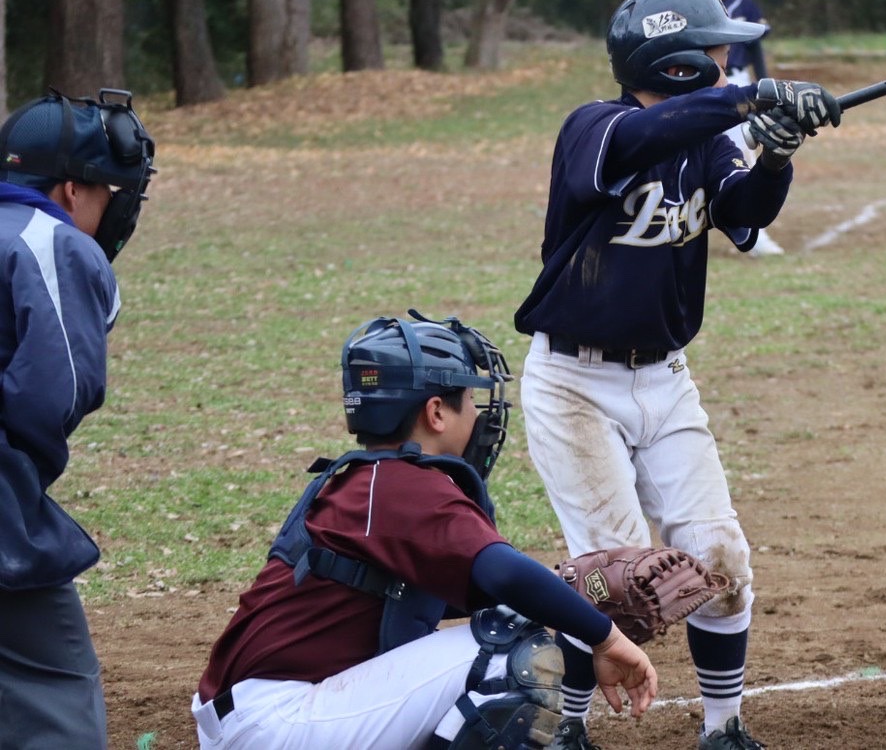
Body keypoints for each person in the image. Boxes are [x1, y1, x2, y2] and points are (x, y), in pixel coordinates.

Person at [513, 0, 842, 750]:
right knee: (620, 581)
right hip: (574, 388)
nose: (730, 56)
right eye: (717, 47)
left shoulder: (709, 137)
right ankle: (563, 730)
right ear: (679, 61)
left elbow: (745, 214)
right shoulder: (595, 129)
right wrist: (750, 99)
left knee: (720, 557)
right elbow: (639, 144)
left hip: (665, 381)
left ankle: (723, 730)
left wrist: (777, 154)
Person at [191, 312, 657, 750]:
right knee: (507, 651)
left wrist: (564, 589)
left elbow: (461, 591)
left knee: (510, 621)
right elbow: (505, 579)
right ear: (436, 412)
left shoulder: (370, 481)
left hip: (261, 715)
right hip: (278, 721)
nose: (480, 415)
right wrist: (607, 637)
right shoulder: (403, 486)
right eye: (471, 400)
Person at [0, 89, 157, 750]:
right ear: (71, 190)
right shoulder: (52, 241)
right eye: (109, 193)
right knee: (53, 694)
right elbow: (56, 391)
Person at [694, 0, 784, 256]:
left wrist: (765, 86)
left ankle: (752, 231)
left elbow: (756, 46)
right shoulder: (696, 2)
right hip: (706, 86)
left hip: (740, 83)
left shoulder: (744, 3)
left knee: (743, 153)